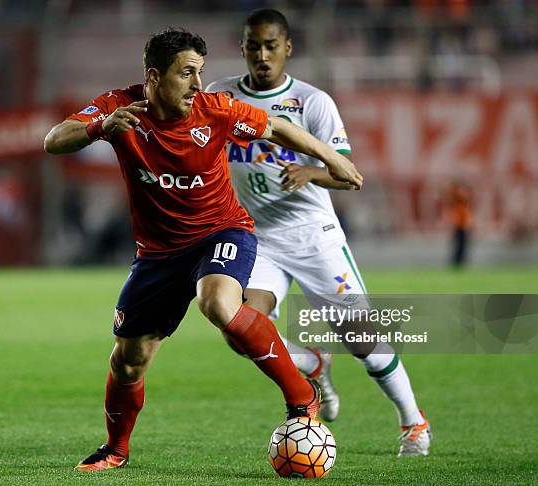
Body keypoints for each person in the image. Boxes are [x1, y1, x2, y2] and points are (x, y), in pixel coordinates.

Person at [44, 28, 363, 472]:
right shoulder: (120, 107)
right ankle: (116, 449)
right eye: (187, 74)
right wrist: (100, 128)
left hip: (222, 232)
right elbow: (54, 140)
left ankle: (301, 394)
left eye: (201, 73)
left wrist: (332, 158)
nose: (198, 85)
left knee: (216, 302)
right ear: (154, 77)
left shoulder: (215, 110)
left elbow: (278, 127)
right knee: (129, 359)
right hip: (157, 254)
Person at [206, 9, 431, 456]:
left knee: (362, 338)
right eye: (254, 46)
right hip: (256, 237)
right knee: (238, 327)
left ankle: (413, 421)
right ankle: (310, 362)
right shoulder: (221, 95)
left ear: (288, 48)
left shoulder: (313, 102)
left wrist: (312, 171)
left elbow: (348, 173)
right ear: (243, 48)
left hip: (312, 235)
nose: (262, 55)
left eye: (271, 45)